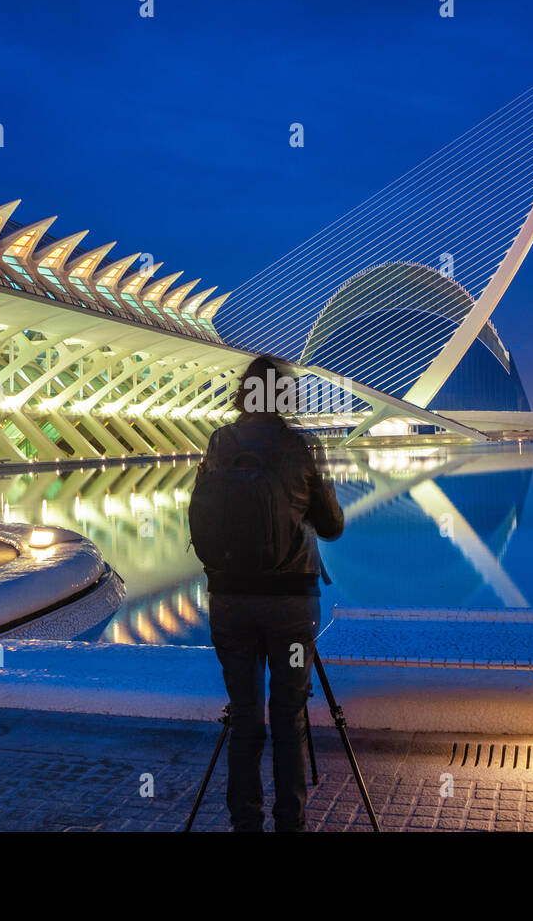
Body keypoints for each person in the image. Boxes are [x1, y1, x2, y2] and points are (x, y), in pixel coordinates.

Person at [190, 355, 344, 832]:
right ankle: (290, 824)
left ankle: (246, 824)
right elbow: (332, 527)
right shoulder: (303, 447)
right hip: (291, 610)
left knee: (245, 718)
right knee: (288, 717)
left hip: (230, 603)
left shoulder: (218, 445)